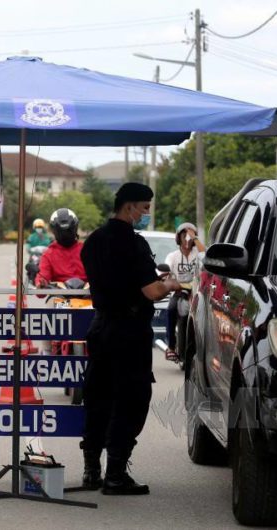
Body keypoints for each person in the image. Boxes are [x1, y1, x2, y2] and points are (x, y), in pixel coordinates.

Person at [80, 182, 180, 495]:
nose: (146, 214)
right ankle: (116, 475)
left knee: (98, 398)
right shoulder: (133, 244)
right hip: (129, 332)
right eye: (145, 208)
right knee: (131, 401)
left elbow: (106, 279)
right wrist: (172, 285)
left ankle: (91, 470)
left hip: (100, 328)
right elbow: (151, 290)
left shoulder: (93, 241)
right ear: (129, 207)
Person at [164, 222, 206, 361]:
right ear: (179, 238)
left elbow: (205, 254)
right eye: (184, 236)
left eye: (190, 236)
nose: (187, 239)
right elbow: (166, 267)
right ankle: (170, 346)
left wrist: (194, 237)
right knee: (170, 308)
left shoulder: (198, 254)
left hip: (197, 293)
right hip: (180, 291)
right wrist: (167, 275)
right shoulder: (173, 256)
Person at [35, 208, 87, 287]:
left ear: (74, 229)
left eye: (68, 231)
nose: (65, 235)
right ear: (54, 231)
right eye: (61, 232)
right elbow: (43, 277)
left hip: (87, 296)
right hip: (59, 297)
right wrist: (41, 283)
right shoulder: (48, 254)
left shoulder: (87, 250)